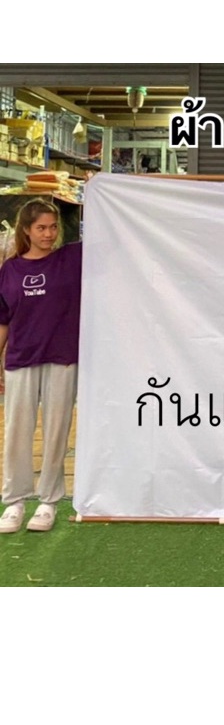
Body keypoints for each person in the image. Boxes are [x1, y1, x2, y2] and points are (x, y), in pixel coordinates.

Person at [0, 198, 82, 534]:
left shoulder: (71, 259)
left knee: (56, 430)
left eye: (53, 227)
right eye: (41, 228)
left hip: (62, 359)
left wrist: (99, 190)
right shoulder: (10, 270)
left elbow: (110, 232)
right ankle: (15, 501)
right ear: (26, 231)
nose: (48, 234)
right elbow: (3, 321)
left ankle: (49, 501)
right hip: (21, 359)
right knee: (17, 432)